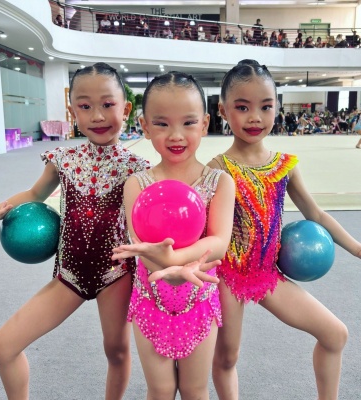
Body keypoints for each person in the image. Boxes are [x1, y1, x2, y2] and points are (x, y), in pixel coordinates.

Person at [0, 63, 151, 400]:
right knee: (2, 345)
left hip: (116, 274)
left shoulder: (139, 168)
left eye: (108, 104)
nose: (97, 115)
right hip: (69, 273)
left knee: (117, 351)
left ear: (126, 109)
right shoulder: (63, 158)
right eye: (85, 106)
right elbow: (33, 194)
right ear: (72, 111)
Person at [207, 59, 361, 400]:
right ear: (223, 111)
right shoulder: (217, 169)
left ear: (277, 107)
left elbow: (316, 213)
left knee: (335, 334)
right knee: (227, 358)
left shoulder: (285, 165)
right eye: (242, 107)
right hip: (227, 275)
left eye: (265, 106)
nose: (255, 117)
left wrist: (359, 248)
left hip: (267, 273)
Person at [111, 71, 235, 399]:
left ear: (205, 123)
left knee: (195, 388)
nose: (176, 135)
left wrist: (176, 261)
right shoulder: (137, 185)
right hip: (151, 298)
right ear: (145, 125)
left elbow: (218, 242)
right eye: (162, 124)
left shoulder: (220, 182)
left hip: (199, 298)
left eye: (188, 122)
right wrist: (169, 265)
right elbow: (141, 245)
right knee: (160, 388)